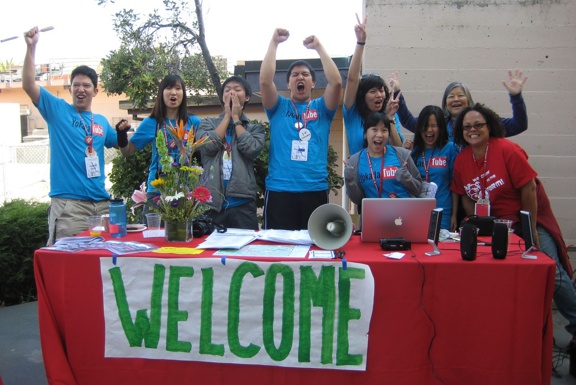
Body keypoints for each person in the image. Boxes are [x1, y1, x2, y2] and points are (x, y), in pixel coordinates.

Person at [450, 103, 576, 342]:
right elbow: (466, 196)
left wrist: (530, 230)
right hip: (496, 229)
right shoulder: (462, 160)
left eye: (478, 125)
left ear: (490, 126)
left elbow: (528, 188)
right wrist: (478, 226)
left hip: (528, 220)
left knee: (552, 271)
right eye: (467, 127)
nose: (472, 130)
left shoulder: (507, 149)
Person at [22, 26, 118, 245]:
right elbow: (28, 85)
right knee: (67, 267)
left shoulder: (101, 122)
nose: (80, 89)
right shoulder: (57, 110)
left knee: (99, 265)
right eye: (76, 85)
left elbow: (126, 147)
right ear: (70, 89)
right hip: (70, 207)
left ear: (95, 91)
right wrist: (31, 47)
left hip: (101, 206)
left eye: (86, 85)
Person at [259, 28, 342, 230]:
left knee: (314, 247)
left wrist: (319, 47)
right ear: (288, 83)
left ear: (313, 83)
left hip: (314, 188)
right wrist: (274, 43)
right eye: (295, 75)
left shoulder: (322, 109)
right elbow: (264, 81)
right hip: (280, 189)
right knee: (278, 250)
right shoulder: (278, 107)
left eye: (305, 74)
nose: (300, 77)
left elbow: (337, 82)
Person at [115, 74, 202, 218]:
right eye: (168, 88)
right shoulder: (152, 122)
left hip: (187, 191)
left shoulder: (194, 122)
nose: (173, 92)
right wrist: (121, 135)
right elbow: (127, 152)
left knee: (185, 237)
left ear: (183, 94)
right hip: (158, 190)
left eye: (178, 88)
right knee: (153, 237)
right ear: (161, 93)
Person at [196, 76, 265, 230]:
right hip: (212, 203)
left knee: (245, 252)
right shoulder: (208, 123)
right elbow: (209, 146)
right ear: (222, 97)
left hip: (243, 205)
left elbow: (251, 149)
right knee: (208, 252)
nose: (232, 93)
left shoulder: (254, 129)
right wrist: (227, 116)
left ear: (246, 97)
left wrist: (236, 118)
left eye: (237, 89)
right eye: (227, 90)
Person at [390, 69, 528, 142]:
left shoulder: (483, 122)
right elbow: (409, 122)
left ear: (469, 100)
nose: (456, 99)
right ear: (445, 103)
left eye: (461, 95)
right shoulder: (440, 123)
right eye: (451, 96)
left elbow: (519, 125)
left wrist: (516, 97)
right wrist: (397, 93)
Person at [343, 14, 404, 156]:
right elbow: (352, 79)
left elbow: (399, 149)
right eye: (373, 91)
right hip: (361, 176)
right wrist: (360, 43)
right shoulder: (353, 114)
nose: (379, 95)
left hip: (388, 176)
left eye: (382, 90)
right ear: (362, 95)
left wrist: (389, 118)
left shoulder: (390, 114)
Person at [345, 112, 423, 207]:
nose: (379, 135)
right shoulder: (355, 161)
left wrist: (406, 178)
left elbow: (418, 189)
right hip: (374, 218)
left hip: (403, 217)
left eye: (384, 130)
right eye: (374, 129)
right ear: (365, 133)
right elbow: (357, 199)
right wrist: (349, 180)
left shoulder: (402, 155)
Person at [410, 105, 459, 231]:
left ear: (441, 127)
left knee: (441, 246)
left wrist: (454, 215)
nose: (429, 130)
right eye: (425, 126)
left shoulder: (450, 148)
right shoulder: (415, 152)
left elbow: (455, 184)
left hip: (443, 210)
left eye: (434, 125)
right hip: (418, 210)